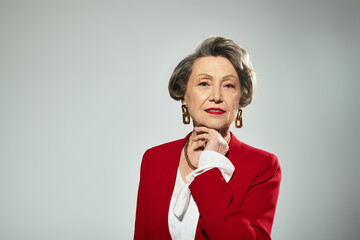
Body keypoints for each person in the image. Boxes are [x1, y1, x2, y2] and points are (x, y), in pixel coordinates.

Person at [134, 37, 281, 240]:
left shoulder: (263, 166)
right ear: (184, 96)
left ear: (240, 98)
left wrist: (211, 166)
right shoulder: (154, 159)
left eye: (228, 85)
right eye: (204, 83)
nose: (216, 96)